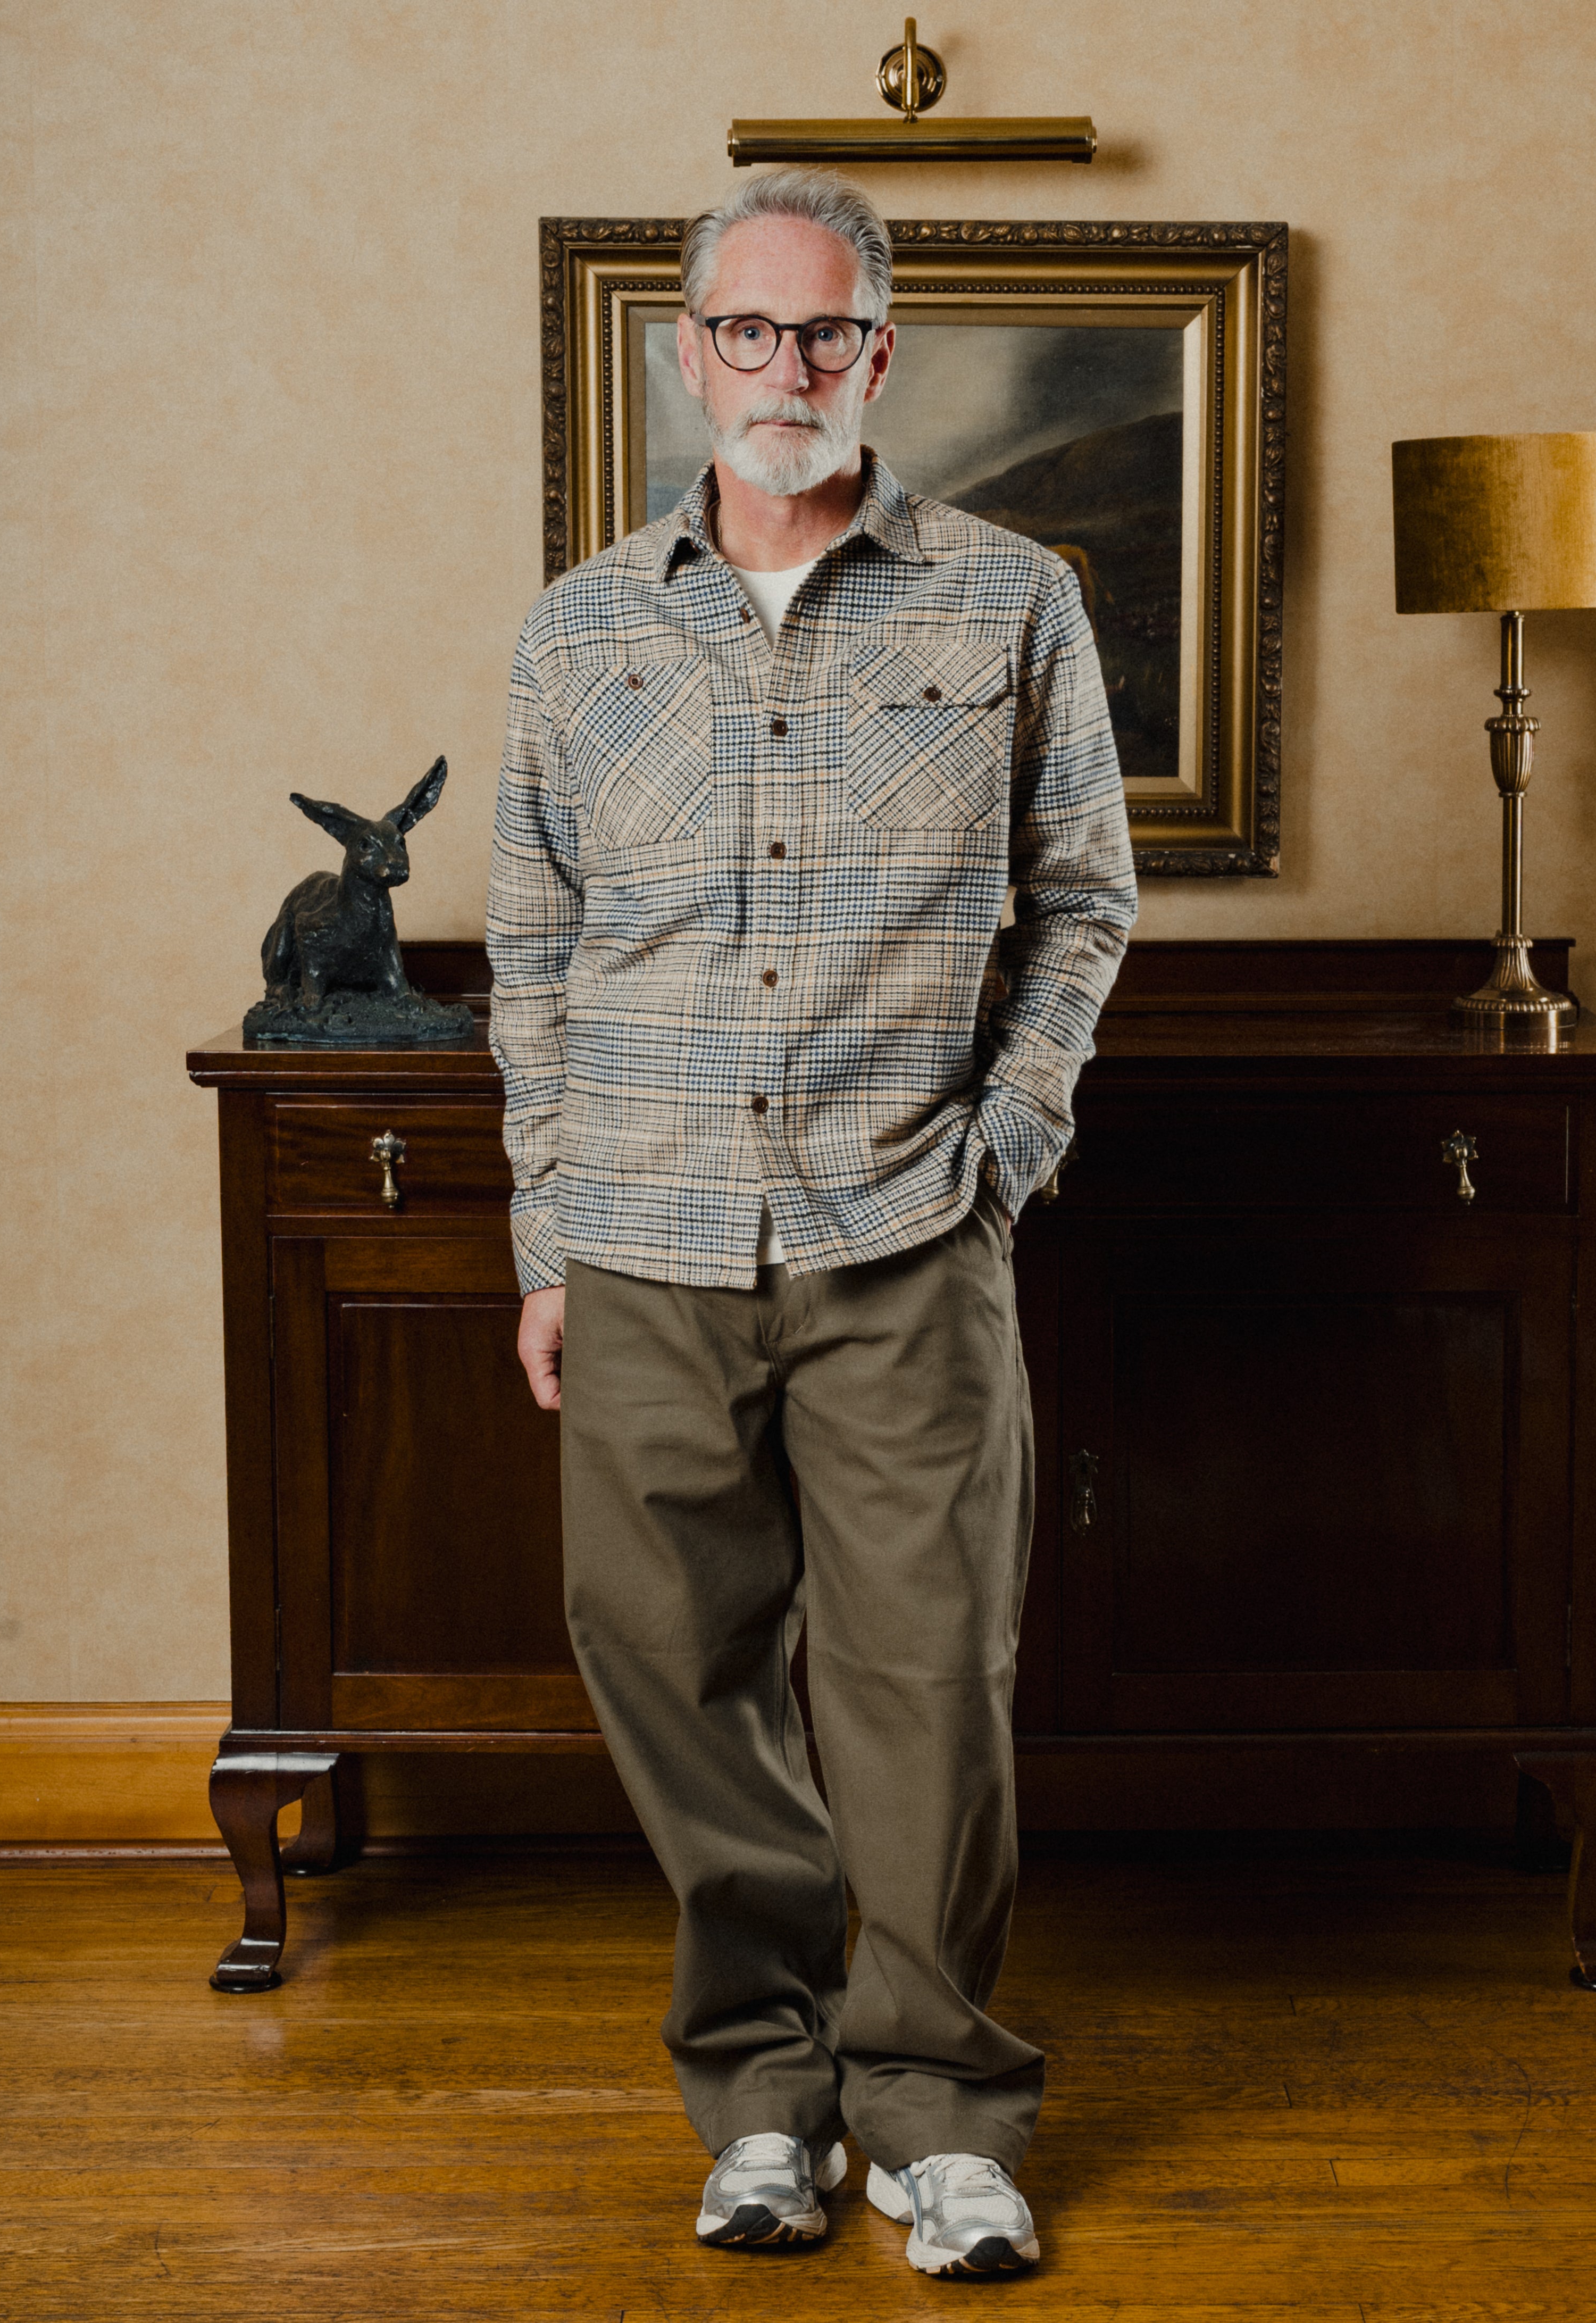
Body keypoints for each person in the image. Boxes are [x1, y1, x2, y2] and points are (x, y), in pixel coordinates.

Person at [486, 165, 1135, 2280]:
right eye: (748, 332)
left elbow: (1084, 905)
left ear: (883, 351)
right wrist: (545, 1238)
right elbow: (534, 945)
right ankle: (763, 2100)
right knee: (673, 1669)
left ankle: (939, 2113)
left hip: (903, 1242)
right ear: (687, 354)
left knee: (928, 1684)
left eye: (828, 331)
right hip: (647, 1241)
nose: (789, 368)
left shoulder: (1010, 600)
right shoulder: (579, 625)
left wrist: (1008, 1148)